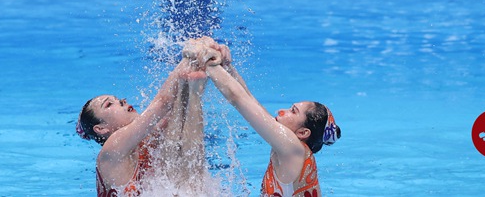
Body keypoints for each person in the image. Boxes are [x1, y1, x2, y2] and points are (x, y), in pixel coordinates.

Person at [195, 41, 341, 197]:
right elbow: (251, 101)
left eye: (293, 111)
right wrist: (226, 66)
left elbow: (238, 99)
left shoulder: (293, 149)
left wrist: (208, 62)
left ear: (303, 132)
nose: (281, 111)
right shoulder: (291, 148)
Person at [77, 39, 213, 196]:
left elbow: (179, 113)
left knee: (175, 141)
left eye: (117, 98)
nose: (122, 101)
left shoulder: (143, 143)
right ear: (101, 129)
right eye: (109, 105)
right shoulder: (111, 151)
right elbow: (163, 103)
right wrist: (190, 56)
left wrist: (203, 65)